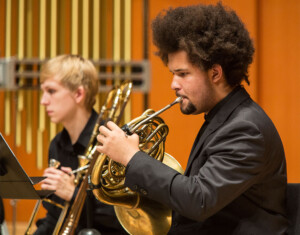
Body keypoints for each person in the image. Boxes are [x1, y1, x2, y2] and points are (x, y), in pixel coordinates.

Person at [95, 3, 289, 235]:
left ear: (215, 73)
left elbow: (199, 200)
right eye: (173, 74)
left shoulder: (245, 128)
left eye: (183, 74)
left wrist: (131, 157)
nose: (174, 84)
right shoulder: (225, 118)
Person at [35, 54, 127, 235]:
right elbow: (55, 216)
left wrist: (74, 195)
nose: (43, 101)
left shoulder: (112, 141)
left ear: (78, 94)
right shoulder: (57, 145)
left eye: (51, 91)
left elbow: (124, 217)